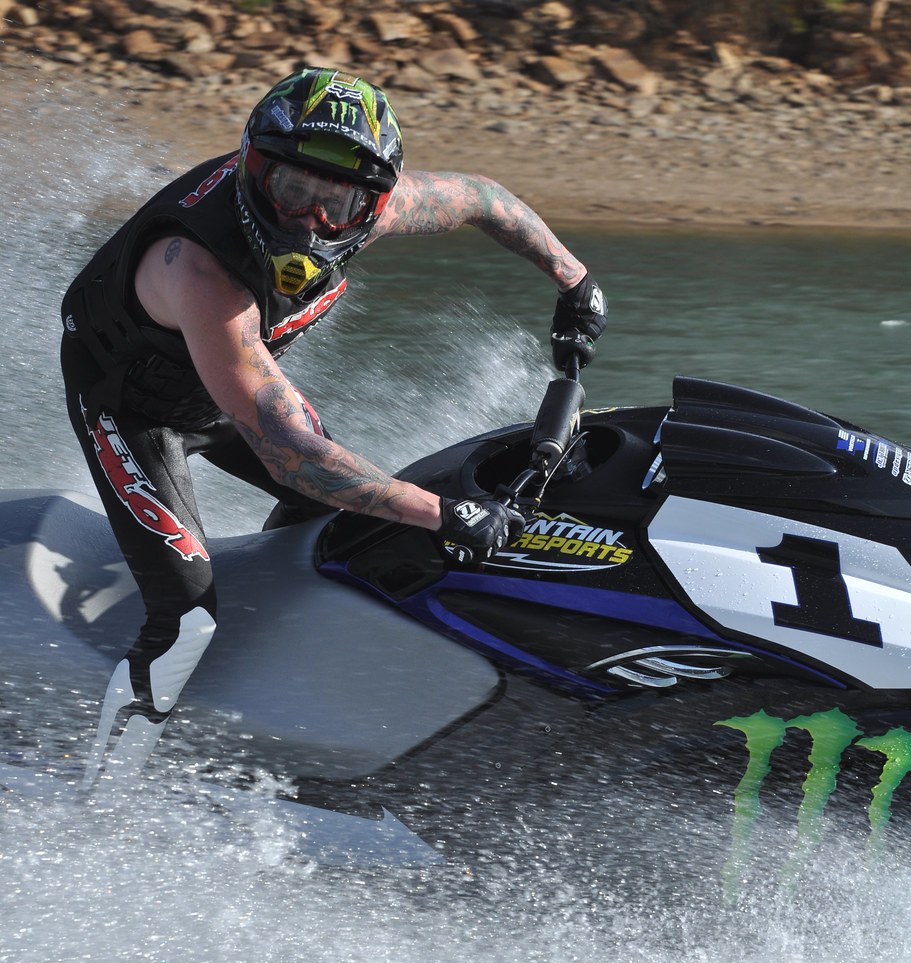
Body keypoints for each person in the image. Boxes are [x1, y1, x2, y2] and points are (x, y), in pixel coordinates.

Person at [60, 67, 607, 789]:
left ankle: (275, 704)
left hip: (232, 391)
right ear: (255, 170)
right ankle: (99, 801)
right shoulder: (199, 272)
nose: (308, 221)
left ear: (371, 202)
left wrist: (574, 280)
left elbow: (484, 199)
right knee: (188, 617)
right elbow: (293, 454)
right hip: (132, 409)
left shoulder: (374, 210)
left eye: (336, 201)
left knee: (339, 529)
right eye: (291, 189)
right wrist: (447, 513)